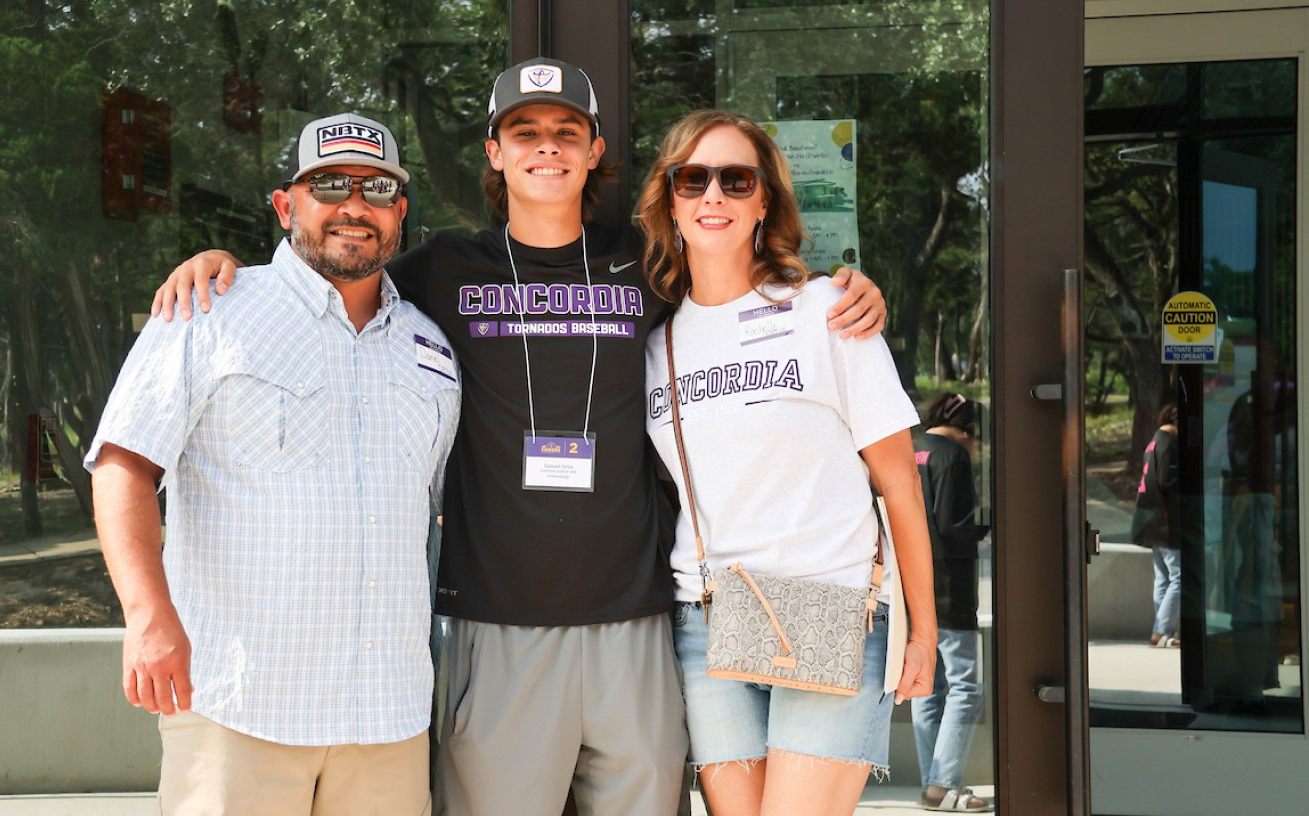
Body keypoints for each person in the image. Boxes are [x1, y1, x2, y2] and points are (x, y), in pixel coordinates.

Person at [150, 59, 888, 816]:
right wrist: (227, 267)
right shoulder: (439, 269)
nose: (547, 147)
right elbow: (339, 271)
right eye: (524, 132)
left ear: (594, 150)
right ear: (495, 152)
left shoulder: (647, 262)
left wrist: (838, 286)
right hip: (495, 621)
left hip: (635, 618)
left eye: (567, 132)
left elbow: (741, 284)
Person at [86, 112, 459, 815]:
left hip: (387, 717)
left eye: (377, 189)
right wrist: (147, 613)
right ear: (287, 205)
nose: (355, 205)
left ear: (400, 213)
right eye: (330, 184)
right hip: (239, 706)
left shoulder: (431, 350)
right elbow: (122, 466)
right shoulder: (207, 311)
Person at [636, 109, 937, 816]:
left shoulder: (827, 310)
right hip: (707, 618)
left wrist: (922, 631)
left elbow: (899, 484)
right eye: (693, 179)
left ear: (764, 199)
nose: (714, 195)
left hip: (832, 607)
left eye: (736, 180)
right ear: (671, 199)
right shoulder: (654, 344)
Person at [912, 393, 991, 812]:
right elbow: (955, 524)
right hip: (951, 589)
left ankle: (933, 786)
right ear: (966, 431)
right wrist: (992, 520)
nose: (976, 448)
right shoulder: (953, 457)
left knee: (927, 689)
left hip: (915, 588)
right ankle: (943, 784)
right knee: (964, 688)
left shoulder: (914, 450)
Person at [1131, 402, 1180, 648]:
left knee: (1162, 577)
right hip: (1166, 521)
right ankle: (1161, 631)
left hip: (1151, 520)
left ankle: (1164, 633)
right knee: (1179, 577)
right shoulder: (1169, 444)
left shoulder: (1153, 441)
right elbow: (1167, 482)